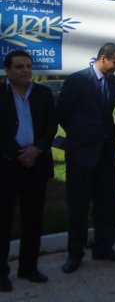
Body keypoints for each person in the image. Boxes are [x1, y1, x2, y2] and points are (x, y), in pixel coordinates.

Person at [57, 42, 115, 274]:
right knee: (78, 205)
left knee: (106, 203)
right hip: (81, 153)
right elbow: (63, 113)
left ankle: (103, 247)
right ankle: (75, 254)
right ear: (103, 58)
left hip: (106, 153)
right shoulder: (77, 80)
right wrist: (80, 134)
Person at [0, 51, 57, 292]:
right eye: (19, 66)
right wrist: (18, 153)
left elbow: (51, 125)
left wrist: (37, 149)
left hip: (36, 165)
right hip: (7, 166)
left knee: (33, 219)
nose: (25, 70)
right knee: (3, 221)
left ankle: (29, 267)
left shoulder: (42, 93)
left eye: (28, 66)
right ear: (7, 70)